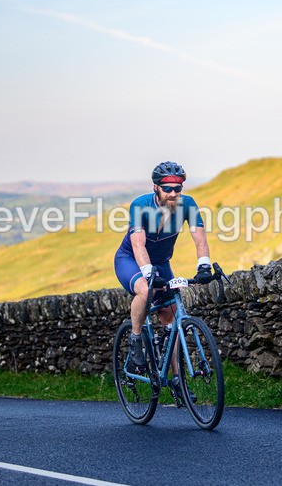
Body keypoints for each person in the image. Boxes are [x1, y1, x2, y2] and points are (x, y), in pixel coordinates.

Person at [114, 161, 214, 401]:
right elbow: (138, 243)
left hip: (161, 262)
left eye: (177, 189)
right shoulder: (141, 205)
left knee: (172, 316)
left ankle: (178, 380)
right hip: (131, 260)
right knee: (145, 291)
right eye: (167, 189)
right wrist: (148, 272)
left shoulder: (187, 205)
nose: (173, 194)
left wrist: (204, 264)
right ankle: (136, 341)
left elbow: (199, 237)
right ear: (156, 188)